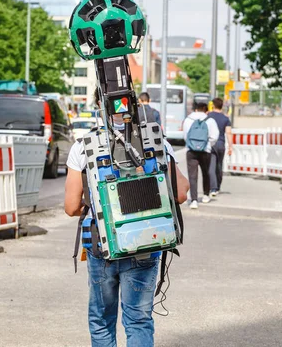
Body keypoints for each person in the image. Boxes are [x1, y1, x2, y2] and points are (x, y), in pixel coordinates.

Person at [65, 89, 189, 347]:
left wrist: (98, 209)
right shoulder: (157, 142)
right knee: (138, 320)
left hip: (102, 248)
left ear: (100, 105)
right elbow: (181, 193)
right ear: (133, 105)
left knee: (101, 319)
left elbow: (70, 206)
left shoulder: (83, 147)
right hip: (145, 243)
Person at [182, 102, 219, 209]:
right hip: (205, 150)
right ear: (205, 109)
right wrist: (207, 145)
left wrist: (192, 144)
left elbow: (185, 135)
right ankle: (206, 195)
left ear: (196, 109)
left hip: (191, 150)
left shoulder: (188, 119)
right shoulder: (210, 120)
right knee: (205, 172)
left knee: (192, 175)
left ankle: (194, 200)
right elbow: (214, 137)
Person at [208, 97, 233, 196]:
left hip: (211, 144)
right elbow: (228, 133)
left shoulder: (208, 116)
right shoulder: (225, 118)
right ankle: (217, 186)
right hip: (221, 144)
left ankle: (213, 188)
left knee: (211, 166)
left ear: (213, 105)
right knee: (219, 166)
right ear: (222, 106)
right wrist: (231, 147)